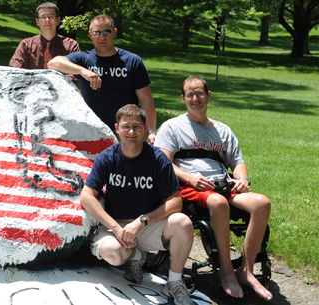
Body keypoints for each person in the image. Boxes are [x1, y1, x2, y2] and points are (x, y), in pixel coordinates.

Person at [155, 76, 273, 301]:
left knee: (261, 203)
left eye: (199, 93)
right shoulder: (172, 127)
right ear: (182, 98)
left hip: (221, 183)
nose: (194, 98)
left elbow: (237, 162)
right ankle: (226, 271)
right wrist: (190, 178)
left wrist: (243, 179)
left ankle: (246, 271)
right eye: (189, 94)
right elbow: (164, 163)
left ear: (208, 95)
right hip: (190, 185)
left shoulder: (223, 131)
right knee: (217, 202)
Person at [80, 104, 194, 305]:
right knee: (113, 254)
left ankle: (174, 282)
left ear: (145, 128)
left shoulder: (158, 159)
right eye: (126, 126)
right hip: (117, 225)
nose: (131, 132)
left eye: (136, 126)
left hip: (148, 225)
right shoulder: (107, 157)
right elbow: (87, 197)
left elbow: (176, 201)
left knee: (182, 223)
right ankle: (136, 256)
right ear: (116, 128)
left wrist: (142, 221)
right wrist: (115, 227)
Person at [48, 14, 157, 144]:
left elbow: (146, 99)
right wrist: (83, 71)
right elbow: (53, 63)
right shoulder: (85, 60)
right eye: (97, 32)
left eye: (107, 32)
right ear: (90, 35)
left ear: (114, 33)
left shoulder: (132, 61)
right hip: (93, 131)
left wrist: (151, 131)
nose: (102, 37)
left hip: (127, 131)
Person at [8, 2, 80, 72]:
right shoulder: (25, 46)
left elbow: (76, 73)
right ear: (37, 22)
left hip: (61, 84)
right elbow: (15, 71)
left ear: (58, 20)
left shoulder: (71, 46)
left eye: (51, 17)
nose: (47, 20)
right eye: (42, 17)